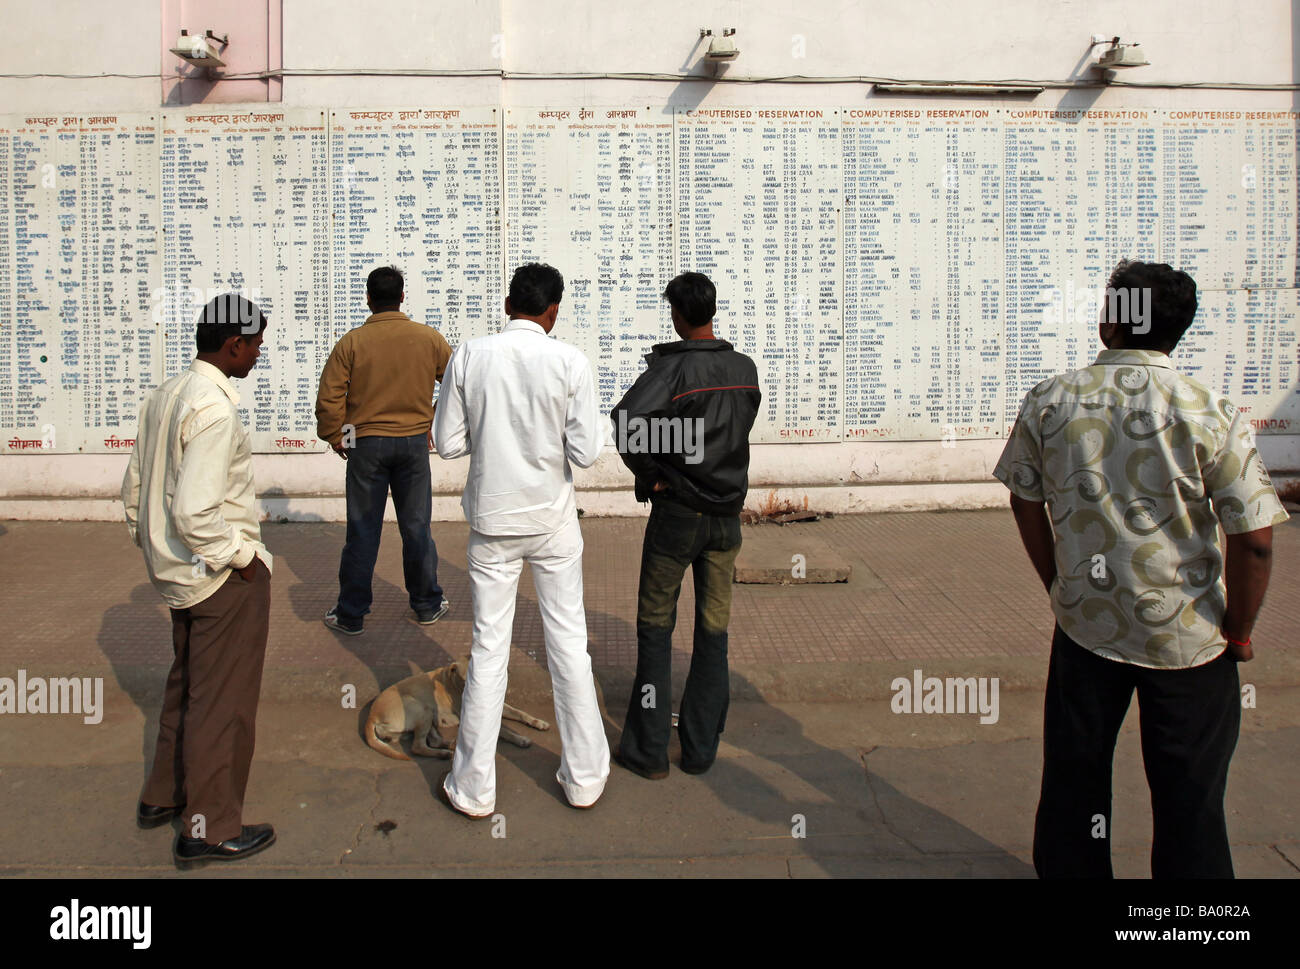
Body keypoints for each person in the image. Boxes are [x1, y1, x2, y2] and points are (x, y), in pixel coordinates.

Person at [994, 260, 1288, 878]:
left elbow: (1025, 495)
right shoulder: (1212, 412)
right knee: (1191, 804)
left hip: (1085, 631)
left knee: (1075, 788)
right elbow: (1254, 539)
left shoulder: (1051, 399)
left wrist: (1057, 585)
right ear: (1176, 332)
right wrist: (1238, 632)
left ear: (1111, 322)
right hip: (1191, 642)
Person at [433, 262, 609, 816]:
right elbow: (585, 453)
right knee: (568, 645)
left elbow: (447, 444)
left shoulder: (470, 355)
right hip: (553, 524)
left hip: (492, 526)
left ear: (509, 304)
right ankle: (584, 779)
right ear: (552, 311)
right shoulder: (570, 361)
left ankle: (474, 789)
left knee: (489, 649)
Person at [122, 293, 276, 866]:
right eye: (256, 345)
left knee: (187, 687)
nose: (259, 354)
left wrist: (158, 552)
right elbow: (195, 512)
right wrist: (241, 558)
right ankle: (208, 829)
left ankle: (163, 796)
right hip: (218, 579)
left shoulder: (165, 396)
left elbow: (135, 493)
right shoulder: (214, 408)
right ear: (234, 345)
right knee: (223, 705)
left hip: (178, 575)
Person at [609, 271, 761, 780]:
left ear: (677, 315)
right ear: (712, 311)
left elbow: (629, 420)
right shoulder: (744, 368)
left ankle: (649, 752)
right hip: (726, 520)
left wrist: (652, 475)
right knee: (713, 633)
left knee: (656, 629)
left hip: (678, 516)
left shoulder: (671, 373)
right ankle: (699, 750)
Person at [316, 265, 453, 634]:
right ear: (402, 296)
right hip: (412, 445)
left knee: (362, 531)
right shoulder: (428, 339)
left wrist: (337, 435)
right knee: (416, 528)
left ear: (368, 298)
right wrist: (434, 421)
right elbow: (457, 383)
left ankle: (351, 614)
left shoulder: (352, 342)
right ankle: (426, 604)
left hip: (365, 446)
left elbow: (330, 397)